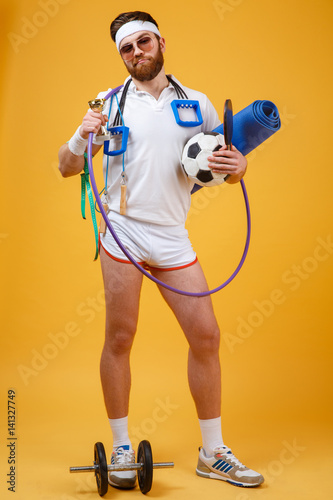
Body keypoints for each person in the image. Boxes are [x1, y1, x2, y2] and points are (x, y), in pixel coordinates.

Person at [58, 10, 264, 490]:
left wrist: (240, 165)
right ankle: (123, 449)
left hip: (172, 235)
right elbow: (66, 167)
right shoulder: (107, 104)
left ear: (161, 42)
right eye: (127, 49)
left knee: (207, 337)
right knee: (121, 337)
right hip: (123, 232)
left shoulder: (197, 102)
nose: (137, 54)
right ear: (122, 56)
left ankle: (213, 452)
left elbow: (225, 168)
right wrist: (81, 134)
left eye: (143, 43)